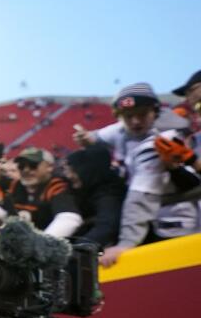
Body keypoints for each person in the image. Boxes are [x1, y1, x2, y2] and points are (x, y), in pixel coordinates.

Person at [74, 83, 199, 267]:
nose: (135, 121)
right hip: (153, 219)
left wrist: (126, 243)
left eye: (142, 114)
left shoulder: (161, 140)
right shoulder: (122, 129)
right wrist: (88, 138)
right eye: (128, 116)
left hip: (178, 223)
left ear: (155, 112)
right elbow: (100, 135)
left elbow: (140, 197)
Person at [64, 144, 126, 248]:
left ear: (89, 170)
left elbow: (106, 228)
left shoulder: (109, 194)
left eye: (74, 171)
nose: (69, 176)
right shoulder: (83, 189)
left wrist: (73, 251)